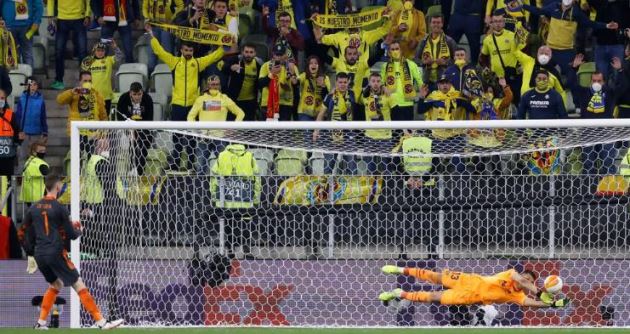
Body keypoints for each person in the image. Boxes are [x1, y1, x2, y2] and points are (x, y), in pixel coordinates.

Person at [18, 174, 124, 330]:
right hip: (55, 252)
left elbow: (21, 232)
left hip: (40, 254)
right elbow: (72, 235)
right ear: (58, 187)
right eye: (62, 184)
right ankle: (101, 322)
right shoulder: (60, 208)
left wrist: (30, 252)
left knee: (56, 283)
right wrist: (80, 230)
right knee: (78, 284)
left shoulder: (34, 207)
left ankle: (40, 323)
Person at [146, 23, 225, 171]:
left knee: (191, 139)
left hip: (192, 107)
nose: (188, 52)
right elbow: (159, 51)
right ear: (181, 50)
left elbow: (214, 56)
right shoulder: (174, 62)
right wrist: (151, 34)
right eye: (186, 50)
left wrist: (225, 45)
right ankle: (176, 165)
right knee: (177, 138)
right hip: (177, 106)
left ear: (193, 51)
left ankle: (190, 166)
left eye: (190, 50)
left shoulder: (198, 63)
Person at [378, 264, 570, 308]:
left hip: (470, 297)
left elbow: (530, 303)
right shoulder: (511, 274)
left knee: (433, 298)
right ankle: (400, 269)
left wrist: (550, 305)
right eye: (525, 276)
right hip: (469, 280)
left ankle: (399, 293)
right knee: (434, 277)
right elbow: (520, 280)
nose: (525, 279)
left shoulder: (516, 296)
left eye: (529, 279)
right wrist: (539, 291)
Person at [521, 0, 618, 81]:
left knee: (572, 78)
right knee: (541, 69)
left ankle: (577, 103)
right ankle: (556, 86)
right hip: (550, 49)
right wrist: (523, 6)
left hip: (566, 51)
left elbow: (590, 23)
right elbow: (538, 11)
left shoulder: (576, 12)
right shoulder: (553, 6)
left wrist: (606, 25)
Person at [568, 54, 627, 175]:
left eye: (599, 81)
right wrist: (574, 68)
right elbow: (571, 84)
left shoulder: (610, 92)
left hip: (606, 131)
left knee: (608, 162)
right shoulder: (584, 92)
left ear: (604, 82)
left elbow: (624, 86)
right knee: (588, 164)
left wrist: (621, 71)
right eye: (594, 81)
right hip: (588, 131)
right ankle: (588, 189)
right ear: (590, 82)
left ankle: (610, 188)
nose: (596, 83)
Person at [187, 75, 245, 175]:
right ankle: (202, 189)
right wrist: (196, 130)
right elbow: (190, 117)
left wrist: (233, 128)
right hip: (204, 137)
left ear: (220, 86)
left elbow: (241, 113)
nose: (214, 86)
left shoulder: (225, 99)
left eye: (216, 84)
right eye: (212, 84)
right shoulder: (200, 100)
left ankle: (222, 188)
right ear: (208, 86)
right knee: (201, 168)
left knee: (224, 167)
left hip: (220, 137)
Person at [418, 74, 475, 174]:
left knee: (459, 168)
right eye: (442, 83)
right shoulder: (433, 97)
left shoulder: (458, 96)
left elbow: (473, 110)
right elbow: (420, 110)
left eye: (447, 83)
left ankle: (459, 187)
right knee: (434, 169)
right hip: (437, 137)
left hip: (456, 137)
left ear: (450, 84)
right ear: (438, 85)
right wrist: (421, 97)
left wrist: (468, 99)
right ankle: (435, 186)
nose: (444, 86)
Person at [314, 72, 357, 175]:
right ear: (336, 83)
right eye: (340, 82)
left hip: (348, 134)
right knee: (328, 168)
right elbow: (321, 114)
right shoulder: (329, 97)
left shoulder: (352, 94)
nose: (342, 84)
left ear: (348, 83)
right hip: (331, 136)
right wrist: (316, 131)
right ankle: (325, 189)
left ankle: (353, 190)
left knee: (352, 168)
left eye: (345, 82)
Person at [57, 71, 107, 156]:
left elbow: (103, 115)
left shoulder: (97, 94)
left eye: (89, 81)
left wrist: (103, 134)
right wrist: (71, 92)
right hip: (78, 131)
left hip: (93, 132)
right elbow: (60, 100)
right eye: (85, 81)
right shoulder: (75, 92)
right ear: (80, 82)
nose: (88, 83)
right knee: (78, 158)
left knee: (91, 157)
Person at [48, 0, 91, 90]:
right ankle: (59, 80)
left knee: (82, 52)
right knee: (59, 51)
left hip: (79, 18)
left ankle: (86, 81)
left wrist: (87, 15)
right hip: (62, 18)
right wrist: (50, 15)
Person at [480, 12, 522, 103]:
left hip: (512, 76)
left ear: (503, 23)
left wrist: (520, 66)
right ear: (491, 23)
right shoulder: (487, 40)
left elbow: (521, 52)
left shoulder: (512, 36)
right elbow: (483, 57)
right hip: (497, 78)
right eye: (495, 21)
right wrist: (486, 68)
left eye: (500, 21)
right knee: (499, 103)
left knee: (515, 100)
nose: (498, 24)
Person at [116, 82, 154, 175]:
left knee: (142, 147)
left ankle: (139, 172)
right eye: (134, 94)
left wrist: (139, 131)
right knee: (131, 146)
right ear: (130, 93)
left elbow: (149, 118)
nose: (137, 97)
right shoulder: (123, 98)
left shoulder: (148, 99)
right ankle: (132, 169)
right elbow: (120, 116)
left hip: (143, 128)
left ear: (142, 93)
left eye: (139, 94)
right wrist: (130, 130)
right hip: (128, 128)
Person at [360, 72, 394, 174]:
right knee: (370, 170)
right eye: (373, 81)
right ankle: (371, 190)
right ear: (369, 83)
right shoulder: (365, 97)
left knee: (387, 170)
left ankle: (387, 190)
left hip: (386, 138)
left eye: (378, 81)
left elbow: (397, 113)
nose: (376, 84)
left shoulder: (388, 96)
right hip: (369, 137)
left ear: (382, 83)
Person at [81, 40, 124, 115]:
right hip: (92, 96)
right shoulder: (87, 61)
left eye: (102, 51)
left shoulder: (108, 59)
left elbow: (119, 56)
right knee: (94, 119)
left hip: (106, 95)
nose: (100, 53)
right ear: (94, 51)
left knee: (105, 119)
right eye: (98, 50)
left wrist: (115, 47)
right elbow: (83, 78)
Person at [221, 43, 262, 121]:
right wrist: (230, 68)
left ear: (255, 53)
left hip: (250, 102)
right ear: (242, 52)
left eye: (251, 52)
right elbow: (223, 69)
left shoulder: (259, 64)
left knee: (248, 127)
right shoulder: (236, 59)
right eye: (246, 52)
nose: (248, 54)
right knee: (232, 127)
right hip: (234, 100)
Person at [259, 44, 299, 121]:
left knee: (282, 132)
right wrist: (271, 74)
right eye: (276, 54)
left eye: (281, 54)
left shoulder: (291, 66)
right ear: (273, 54)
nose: (278, 57)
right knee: (267, 131)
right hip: (268, 103)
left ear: (285, 55)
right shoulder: (265, 66)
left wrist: (293, 77)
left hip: (285, 104)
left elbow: (297, 85)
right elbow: (260, 84)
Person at [142, 0, 183, 73]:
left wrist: (173, 18)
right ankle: (152, 77)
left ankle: (170, 75)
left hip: (167, 27)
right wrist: (146, 18)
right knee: (152, 54)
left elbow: (181, 5)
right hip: (153, 26)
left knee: (167, 51)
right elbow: (145, 7)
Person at [417, 14, 457, 89]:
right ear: (430, 24)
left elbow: (458, 60)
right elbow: (416, 59)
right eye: (434, 22)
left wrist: (445, 62)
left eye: (438, 22)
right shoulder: (423, 41)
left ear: (442, 24)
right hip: (427, 81)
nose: (436, 25)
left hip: (445, 82)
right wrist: (424, 62)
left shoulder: (450, 41)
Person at [0, 0, 43, 67]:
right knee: (11, 55)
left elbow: (38, 4)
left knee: (26, 54)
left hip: (26, 27)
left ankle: (28, 76)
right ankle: (13, 76)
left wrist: (37, 21)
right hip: (9, 26)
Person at [15, 77, 47, 168]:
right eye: (30, 84)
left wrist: (45, 131)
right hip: (24, 132)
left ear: (37, 86)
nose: (32, 86)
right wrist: (18, 131)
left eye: (35, 84)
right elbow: (18, 116)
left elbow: (43, 117)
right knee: (23, 156)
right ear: (26, 86)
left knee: (36, 156)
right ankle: (23, 176)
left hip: (36, 133)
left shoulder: (41, 100)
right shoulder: (22, 99)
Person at [448, 0, 483, 64]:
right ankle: (449, 67)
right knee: (450, 44)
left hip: (473, 15)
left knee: (474, 46)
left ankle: (473, 68)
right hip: (458, 14)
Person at [297, 55, 329, 122]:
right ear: (308, 66)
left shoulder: (325, 78)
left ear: (319, 66)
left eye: (315, 63)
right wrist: (295, 80)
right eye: (311, 63)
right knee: (307, 132)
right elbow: (297, 81)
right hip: (304, 113)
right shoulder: (304, 76)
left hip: (319, 113)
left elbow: (328, 97)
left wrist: (323, 86)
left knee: (321, 132)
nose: (313, 65)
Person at [19, 140, 49, 206]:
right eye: (41, 151)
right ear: (34, 152)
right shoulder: (41, 163)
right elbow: (47, 173)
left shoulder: (28, 161)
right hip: (38, 195)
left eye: (44, 151)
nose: (43, 153)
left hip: (28, 194)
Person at [0, 89, 22, 177]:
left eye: (2, 98)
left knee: (7, 183)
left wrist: (20, 138)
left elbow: (17, 133)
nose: (0, 100)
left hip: (8, 158)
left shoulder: (11, 114)